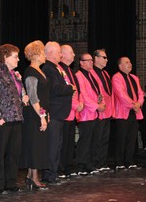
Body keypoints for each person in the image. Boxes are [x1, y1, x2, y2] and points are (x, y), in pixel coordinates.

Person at [0, 44, 29, 195]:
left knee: (14, 152)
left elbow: (17, 93)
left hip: (16, 116)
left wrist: (23, 97)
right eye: (15, 56)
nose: (18, 59)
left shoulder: (15, 74)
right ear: (5, 57)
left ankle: (10, 182)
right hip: (2, 118)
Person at [41, 41, 75, 185]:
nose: (60, 55)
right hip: (54, 112)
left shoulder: (56, 68)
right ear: (50, 53)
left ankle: (53, 173)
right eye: (58, 52)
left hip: (60, 113)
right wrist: (70, 88)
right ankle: (49, 174)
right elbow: (56, 88)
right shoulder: (49, 68)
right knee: (53, 145)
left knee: (57, 145)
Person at [19, 40, 49, 190]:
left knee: (36, 145)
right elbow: (33, 97)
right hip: (34, 114)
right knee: (35, 146)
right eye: (43, 52)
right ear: (36, 55)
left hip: (40, 112)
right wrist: (42, 116)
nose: (45, 55)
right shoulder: (31, 72)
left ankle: (30, 177)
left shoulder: (39, 70)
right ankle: (34, 178)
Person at [75, 53, 106, 175]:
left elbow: (99, 92)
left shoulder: (91, 75)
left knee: (94, 139)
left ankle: (90, 163)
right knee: (85, 140)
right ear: (81, 63)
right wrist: (97, 106)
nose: (91, 63)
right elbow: (83, 95)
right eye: (87, 61)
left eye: (91, 60)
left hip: (94, 113)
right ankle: (81, 165)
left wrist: (102, 103)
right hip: (86, 113)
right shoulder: (79, 75)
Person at [112, 57, 144, 170]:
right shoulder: (116, 77)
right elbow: (121, 95)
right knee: (121, 138)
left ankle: (129, 161)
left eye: (130, 62)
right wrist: (133, 105)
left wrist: (139, 104)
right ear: (120, 66)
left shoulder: (134, 78)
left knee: (132, 138)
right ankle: (119, 162)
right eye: (126, 62)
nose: (130, 64)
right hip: (123, 113)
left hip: (134, 112)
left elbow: (140, 93)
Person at [58, 44, 84, 178]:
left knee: (69, 142)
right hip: (65, 111)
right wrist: (76, 105)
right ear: (62, 54)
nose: (74, 55)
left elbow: (76, 91)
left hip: (72, 113)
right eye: (71, 52)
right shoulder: (60, 70)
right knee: (62, 143)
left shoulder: (70, 71)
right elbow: (68, 91)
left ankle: (67, 166)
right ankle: (61, 168)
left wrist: (80, 104)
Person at [90, 49, 113, 171]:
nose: (106, 60)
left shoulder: (105, 74)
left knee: (104, 138)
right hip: (97, 111)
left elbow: (109, 93)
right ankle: (95, 163)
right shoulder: (91, 72)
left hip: (107, 111)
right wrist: (98, 105)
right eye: (104, 57)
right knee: (96, 139)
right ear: (96, 58)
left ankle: (102, 162)